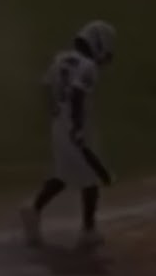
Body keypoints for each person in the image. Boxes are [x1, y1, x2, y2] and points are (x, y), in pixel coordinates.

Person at [20, 21, 117, 251]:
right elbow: (77, 93)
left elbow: (45, 86)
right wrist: (78, 127)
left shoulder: (61, 59)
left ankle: (34, 210)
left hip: (58, 125)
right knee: (90, 178)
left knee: (65, 174)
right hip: (75, 126)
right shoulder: (87, 67)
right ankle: (88, 231)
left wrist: (51, 112)